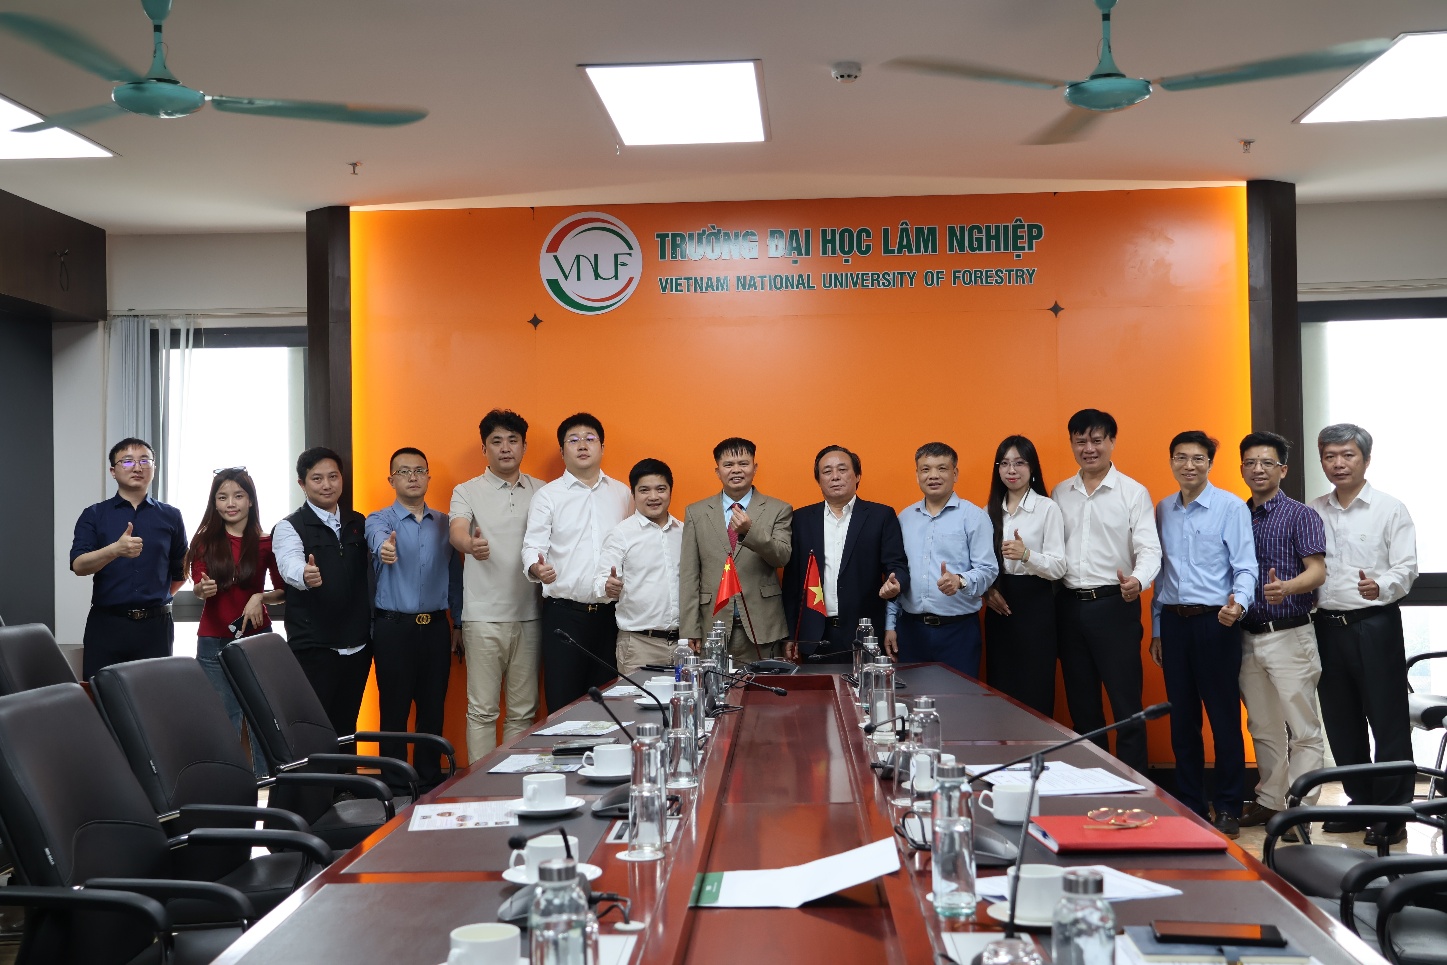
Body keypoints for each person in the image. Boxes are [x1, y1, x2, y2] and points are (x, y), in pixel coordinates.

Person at [1310, 423, 1418, 847]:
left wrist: (1381, 586)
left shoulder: (1390, 509)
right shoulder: (1313, 510)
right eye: (1330, 456)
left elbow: (1406, 567)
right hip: (1326, 627)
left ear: (1366, 459)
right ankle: (1360, 803)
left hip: (1374, 624)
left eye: (1347, 455)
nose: (1338, 463)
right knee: (1341, 721)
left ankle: (1393, 814)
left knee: (1387, 720)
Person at [1148, 431, 1255, 837]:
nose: (1188, 465)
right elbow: (1161, 574)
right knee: (1182, 720)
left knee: (1224, 719)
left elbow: (1245, 565)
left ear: (1210, 463)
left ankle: (1228, 806)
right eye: (1181, 457)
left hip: (1217, 621)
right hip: (1174, 623)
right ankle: (1191, 804)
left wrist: (1238, 604)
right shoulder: (1163, 508)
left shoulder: (1230, 507)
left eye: (1197, 458)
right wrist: (1158, 628)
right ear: (1171, 461)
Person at [1052, 409, 1161, 775]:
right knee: (1082, 708)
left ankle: (1135, 786)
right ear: (1071, 444)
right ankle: (1092, 782)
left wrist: (1138, 580)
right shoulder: (1060, 493)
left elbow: (1150, 549)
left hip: (1115, 604)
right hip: (1069, 607)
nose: (1089, 448)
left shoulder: (1133, 492)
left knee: (1126, 706)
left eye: (1097, 440)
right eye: (1081, 441)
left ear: (1112, 442)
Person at [1235, 431, 1326, 840]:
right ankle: (1271, 799)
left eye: (1267, 462)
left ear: (1283, 469)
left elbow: (1317, 571)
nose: (1258, 469)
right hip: (1247, 635)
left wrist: (1288, 587)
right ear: (1241, 468)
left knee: (1302, 728)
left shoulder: (1300, 515)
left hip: (1289, 634)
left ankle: (1300, 810)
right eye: (1250, 462)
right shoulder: (1237, 514)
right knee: (1263, 726)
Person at [449, 410, 544, 761]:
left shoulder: (543, 491)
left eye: (513, 440)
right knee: (482, 711)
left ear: (524, 446)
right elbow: (457, 530)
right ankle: (479, 786)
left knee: (523, 712)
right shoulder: (467, 490)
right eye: (496, 441)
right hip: (483, 617)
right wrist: (470, 545)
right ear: (484, 448)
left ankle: (514, 782)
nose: (505, 448)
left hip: (531, 615)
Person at [522, 413, 633, 711]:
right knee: (563, 705)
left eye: (590, 438)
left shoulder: (622, 493)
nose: (582, 445)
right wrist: (536, 567)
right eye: (573, 440)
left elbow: (633, 547)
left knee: (608, 705)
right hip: (564, 616)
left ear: (602, 447)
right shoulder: (548, 496)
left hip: (610, 617)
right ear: (562, 451)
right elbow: (533, 545)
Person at [366, 447, 462, 791]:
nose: (412, 477)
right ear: (391, 479)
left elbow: (455, 579)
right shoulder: (379, 520)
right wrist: (385, 549)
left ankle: (429, 778)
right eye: (403, 471)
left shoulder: (446, 524)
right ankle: (393, 782)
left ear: (428, 477)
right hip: (393, 628)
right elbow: (378, 541)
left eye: (419, 470)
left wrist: (458, 623)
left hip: (436, 627)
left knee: (432, 707)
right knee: (393, 708)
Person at [187, 467, 284, 778]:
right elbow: (199, 585)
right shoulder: (204, 542)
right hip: (213, 640)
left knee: (262, 717)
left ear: (251, 500)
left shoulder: (267, 542)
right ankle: (227, 787)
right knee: (222, 718)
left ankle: (267, 785)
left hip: (257, 639)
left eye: (238, 496)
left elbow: (283, 591)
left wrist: (260, 597)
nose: (231, 503)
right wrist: (202, 589)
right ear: (214, 503)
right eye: (222, 497)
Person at [272, 447, 373, 738]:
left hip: (357, 646)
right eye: (317, 479)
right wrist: (304, 574)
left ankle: (347, 771)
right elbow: (289, 563)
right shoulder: (289, 526)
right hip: (314, 648)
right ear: (302, 484)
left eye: (333, 476)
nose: (326, 485)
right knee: (315, 731)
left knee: (347, 728)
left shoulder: (358, 522)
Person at [70, 438, 188, 677]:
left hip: (156, 627)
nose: (137, 467)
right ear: (113, 471)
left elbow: (180, 571)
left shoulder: (171, 516)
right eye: (127, 461)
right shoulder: (94, 514)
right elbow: (79, 565)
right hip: (107, 624)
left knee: (154, 694)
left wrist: (154, 601)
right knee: (102, 693)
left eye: (144, 461)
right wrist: (115, 550)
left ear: (154, 468)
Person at [782, 445, 908, 663]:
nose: (835, 476)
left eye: (842, 469)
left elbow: (897, 566)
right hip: (814, 636)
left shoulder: (881, 516)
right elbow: (792, 582)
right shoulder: (801, 519)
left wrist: (896, 583)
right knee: (818, 686)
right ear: (818, 479)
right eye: (827, 471)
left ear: (857, 475)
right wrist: (791, 634)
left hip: (865, 633)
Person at [885, 442, 997, 677]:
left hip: (958, 632)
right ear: (917, 475)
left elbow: (988, 569)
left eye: (942, 468)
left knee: (958, 698)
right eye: (925, 469)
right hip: (911, 631)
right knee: (910, 697)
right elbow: (897, 573)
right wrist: (890, 624)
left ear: (955, 473)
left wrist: (960, 580)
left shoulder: (974, 517)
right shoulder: (904, 518)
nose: (933, 475)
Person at [679, 438, 794, 664]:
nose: (736, 470)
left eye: (743, 463)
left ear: (755, 468)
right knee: (715, 685)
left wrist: (751, 531)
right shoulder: (696, 512)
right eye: (728, 465)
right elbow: (689, 574)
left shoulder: (779, 509)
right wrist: (690, 628)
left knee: (763, 686)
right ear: (718, 471)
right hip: (713, 624)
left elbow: (782, 557)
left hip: (764, 626)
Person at [982, 435, 1067, 715]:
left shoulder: (1046, 508)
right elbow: (981, 564)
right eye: (1004, 463)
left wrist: (1027, 555)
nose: (1011, 470)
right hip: (999, 604)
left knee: (1034, 687)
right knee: (1001, 687)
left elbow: (1059, 567)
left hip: (1036, 605)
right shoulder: (989, 511)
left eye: (1019, 463)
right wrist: (988, 591)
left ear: (1032, 468)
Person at [595, 459, 684, 676]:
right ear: (633, 494)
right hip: (639, 646)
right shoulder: (621, 534)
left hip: (684, 645)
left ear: (670, 491)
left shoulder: (684, 532)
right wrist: (607, 587)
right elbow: (601, 581)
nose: (653, 497)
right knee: (636, 700)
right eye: (644, 490)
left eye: (660, 489)